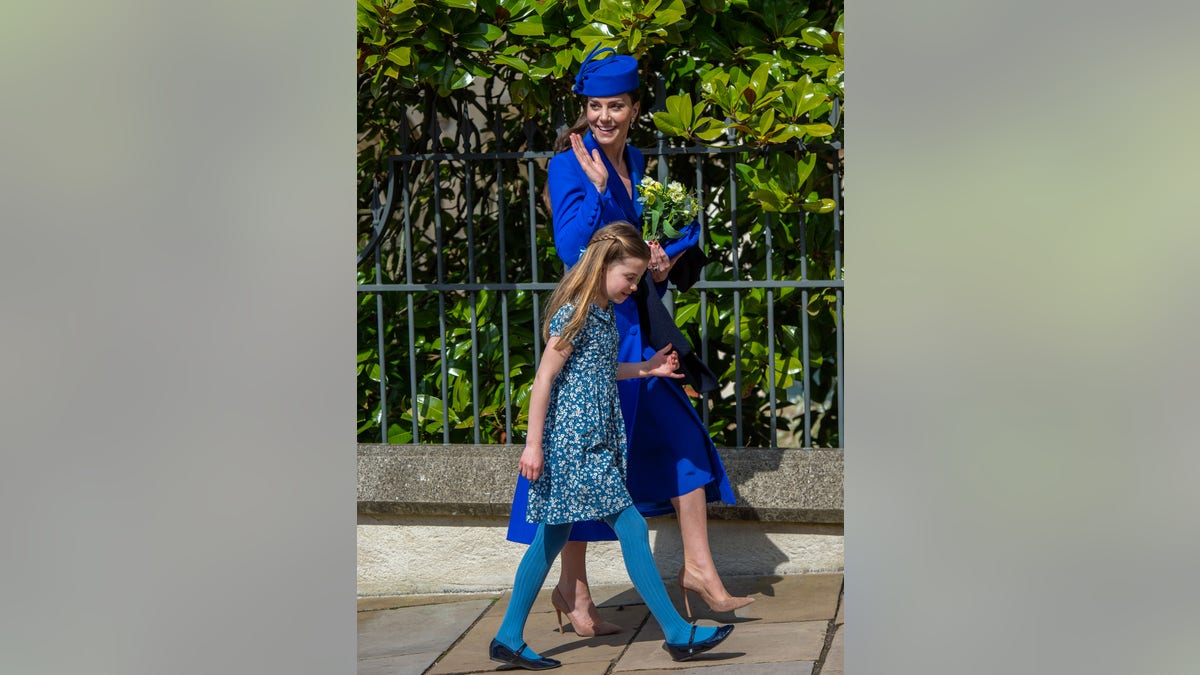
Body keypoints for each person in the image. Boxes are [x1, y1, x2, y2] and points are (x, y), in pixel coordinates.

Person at [505, 45, 753, 638]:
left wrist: (660, 255)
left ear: (635, 108)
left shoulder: (638, 159)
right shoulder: (570, 163)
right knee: (584, 452)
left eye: (615, 105)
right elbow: (576, 253)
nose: (604, 117)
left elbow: (631, 242)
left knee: (682, 435)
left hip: (636, 325)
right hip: (595, 326)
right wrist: (595, 190)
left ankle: (698, 569)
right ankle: (573, 590)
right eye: (595, 105)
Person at [489, 222, 734, 671]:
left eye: (638, 279)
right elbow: (543, 381)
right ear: (604, 266)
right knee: (632, 527)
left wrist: (648, 369)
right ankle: (678, 633)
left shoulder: (601, 316)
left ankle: (507, 636)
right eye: (630, 277)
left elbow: (602, 371)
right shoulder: (574, 314)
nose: (635, 286)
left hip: (593, 441)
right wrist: (532, 446)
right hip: (576, 445)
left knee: (550, 537)